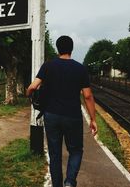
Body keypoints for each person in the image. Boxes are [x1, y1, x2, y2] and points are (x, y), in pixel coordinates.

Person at [26, 35, 97, 187]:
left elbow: (32, 87)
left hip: (51, 116)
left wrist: (28, 95)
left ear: (58, 49)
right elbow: (88, 96)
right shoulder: (80, 69)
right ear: (71, 49)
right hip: (73, 116)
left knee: (55, 154)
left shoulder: (48, 66)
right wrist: (93, 119)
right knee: (76, 151)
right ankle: (70, 182)